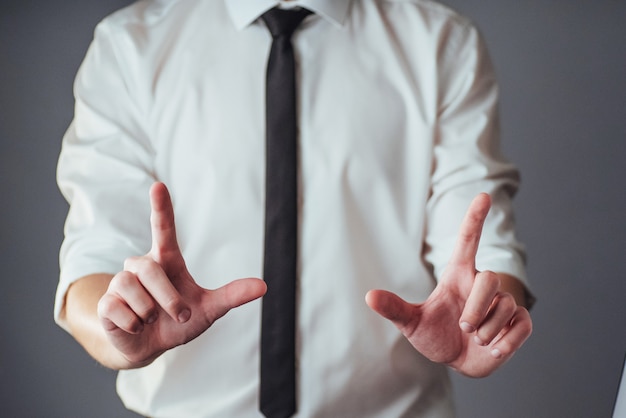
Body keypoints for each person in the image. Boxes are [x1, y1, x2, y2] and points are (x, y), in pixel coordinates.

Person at [55, 0, 534, 416]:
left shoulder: (441, 43)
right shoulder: (129, 47)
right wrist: (118, 328)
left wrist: (483, 318)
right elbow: (91, 262)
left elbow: (482, 247)